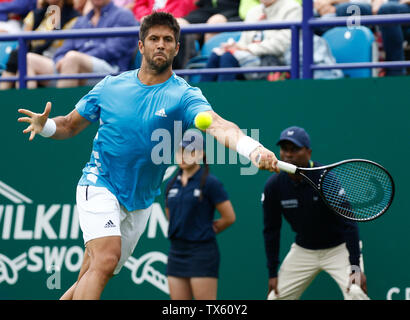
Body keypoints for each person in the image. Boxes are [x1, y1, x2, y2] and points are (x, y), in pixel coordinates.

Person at [17, 12, 279, 300]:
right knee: (105, 259)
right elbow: (68, 125)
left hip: (139, 202)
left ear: (177, 48)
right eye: (153, 39)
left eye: (168, 40)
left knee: (93, 270)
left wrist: (251, 148)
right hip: (99, 182)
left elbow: (217, 125)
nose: (161, 45)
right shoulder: (110, 86)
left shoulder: (184, 95)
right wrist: (46, 127)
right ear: (141, 46)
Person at [262, 126, 369, 300]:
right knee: (275, 297)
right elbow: (271, 231)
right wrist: (272, 273)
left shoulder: (326, 180)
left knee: (356, 292)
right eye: (284, 149)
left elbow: (349, 224)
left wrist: (355, 266)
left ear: (308, 152)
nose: (288, 155)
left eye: (295, 149)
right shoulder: (274, 186)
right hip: (304, 250)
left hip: (339, 250)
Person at [165, 129, 236, 300]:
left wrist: (203, 230)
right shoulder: (171, 184)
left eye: (190, 152)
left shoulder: (211, 183)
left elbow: (229, 217)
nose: (183, 155)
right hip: (176, 253)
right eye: (181, 151)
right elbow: (170, 215)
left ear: (200, 154)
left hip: (202, 253)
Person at [20, 0, 138, 89]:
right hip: (72, 69)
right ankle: (28, 113)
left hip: (111, 74)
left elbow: (112, 50)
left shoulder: (123, 15)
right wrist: (62, 60)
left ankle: (62, 117)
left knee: (72, 58)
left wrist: (77, 56)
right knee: (28, 59)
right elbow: (62, 51)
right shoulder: (82, 20)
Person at [200, 0, 302, 82]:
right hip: (249, 56)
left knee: (228, 57)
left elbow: (283, 44)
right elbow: (244, 41)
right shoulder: (253, 12)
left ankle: (224, 101)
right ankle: (200, 102)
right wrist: (233, 46)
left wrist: (247, 49)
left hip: (276, 61)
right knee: (217, 54)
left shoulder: (292, 8)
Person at [0, 0, 80, 90]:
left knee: (25, 59)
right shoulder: (36, 15)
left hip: (57, 63)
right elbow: (23, 44)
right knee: (19, 57)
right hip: (30, 59)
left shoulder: (75, 18)